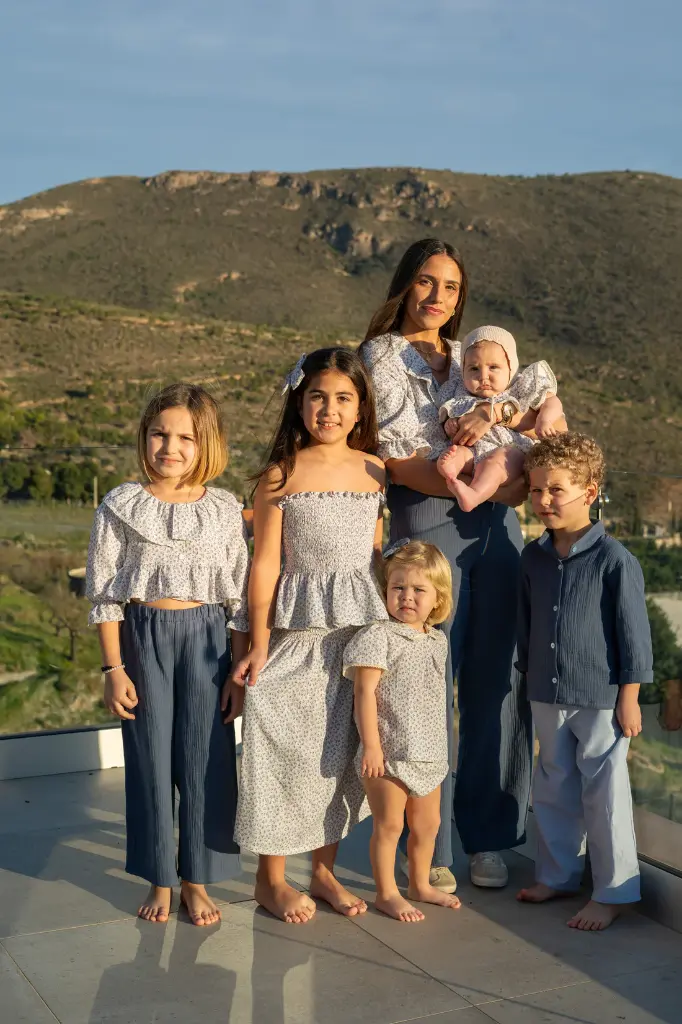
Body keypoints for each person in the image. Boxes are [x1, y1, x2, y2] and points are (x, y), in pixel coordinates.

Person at [360, 238, 536, 892]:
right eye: (427, 281)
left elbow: (527, 417)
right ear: (405, 284)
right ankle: (426, 842)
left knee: (499, 679)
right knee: (423, 686)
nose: (438, 296)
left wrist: (507, 475)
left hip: (497, 527)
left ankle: (488, 836)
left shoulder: (474, 353)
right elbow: (398, 458)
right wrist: (485, 482)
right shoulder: (379, 357)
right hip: (427, 526)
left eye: (452, 286)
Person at [85, 383, 250, 926]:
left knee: (206, 759)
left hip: (208, 640)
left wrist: (237, 671)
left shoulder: (223, 508)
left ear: (207, 444)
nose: (170, 447)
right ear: (144, 437)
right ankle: (160, 877)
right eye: (160, 434)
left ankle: (197, 879)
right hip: (142, 637)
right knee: (150, 758)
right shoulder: (119, 505)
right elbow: (106, 594)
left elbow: (237, 597)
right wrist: (113, 669)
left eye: (186, 437)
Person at [232, 348, 386, 924]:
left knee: (337, 756)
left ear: (360, 408)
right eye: (318, 396)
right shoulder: (281, 473)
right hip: (296, 632)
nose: (329, 409)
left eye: (344, 398)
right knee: (279, 748)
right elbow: (265, 563)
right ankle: (270, 879)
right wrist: (259, 641)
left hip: (356, 633)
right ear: (299, 403)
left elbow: (376, 554)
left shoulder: (375, 470)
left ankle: (323, 872)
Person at [516, 432, 653, 930]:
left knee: (605, 793)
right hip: (545, 692)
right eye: (536, 490)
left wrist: (630, 698)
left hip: (601, 697)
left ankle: (614, 891)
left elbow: (634, 635)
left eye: (556, 489)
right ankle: (557, 876)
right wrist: (527, 677)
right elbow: (525, 623)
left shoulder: (615, 560)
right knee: (553, 786)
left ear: (589, 492)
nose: (544, 500)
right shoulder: (531, 558)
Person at [344, 539, 460, 922]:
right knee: (390, 824)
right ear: (385, 591)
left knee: (428, 825)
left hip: (429, 753)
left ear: (438, 599)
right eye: (398, 587)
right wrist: (371, 746)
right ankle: (387, 893)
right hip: (389, 753)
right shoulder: (378, 636)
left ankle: (420, 884)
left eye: (418, 590)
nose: (407, 596)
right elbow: (364, 692)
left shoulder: (438, 641)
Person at [437, 325, 565, 511]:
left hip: (511, 451)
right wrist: (451, 425)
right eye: (474, 368)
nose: (483, 376)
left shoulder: (519, 388)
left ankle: (474, 495)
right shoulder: (460, 393)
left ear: (510, 368)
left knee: (495, 463)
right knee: (457, 453)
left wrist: (544, 420)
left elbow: (553, 402)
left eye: (493, 367)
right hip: (474, 451)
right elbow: (449, 415)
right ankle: (450, 473)